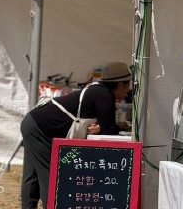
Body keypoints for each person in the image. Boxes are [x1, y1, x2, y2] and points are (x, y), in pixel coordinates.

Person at [20, 61, 132, 209]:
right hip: (41, 128)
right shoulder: (104, 95)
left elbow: (102, 126)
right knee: (50, 176)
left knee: (33, 174)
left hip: (33, 121)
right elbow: (109, 130)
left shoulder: (96, 89)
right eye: (128, 85)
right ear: (120, 84)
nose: (128, 90)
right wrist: (120, 126)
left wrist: (101, 127)